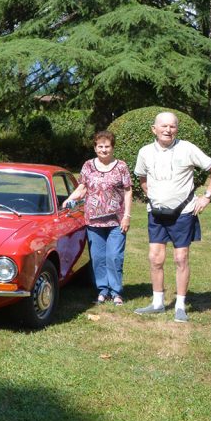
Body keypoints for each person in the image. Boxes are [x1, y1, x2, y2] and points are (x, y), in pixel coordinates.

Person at [132, 111, 211, 323]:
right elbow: (142, 178)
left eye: (172, 126)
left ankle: (180, 306)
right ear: (153, 129)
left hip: (183, 213)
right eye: (163, 126)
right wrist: (154, 198)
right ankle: (157, 303)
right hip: (156, 214)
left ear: (177, 129)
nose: (168, 130)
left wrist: (207, 197)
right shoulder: (145, 152)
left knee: (180, 258)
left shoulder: (187, 148)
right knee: (155, 258)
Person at [63, 130, 133, 306]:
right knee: (98, 257)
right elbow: (82, 188)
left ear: (112, 148)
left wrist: (127, 216)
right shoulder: (88, 166)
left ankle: (116, 292)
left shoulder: (121, 166)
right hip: (93, 220)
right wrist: (69, 200)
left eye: (107, 146)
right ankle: (103, 290)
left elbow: (128, 191)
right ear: (95, 148)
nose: (104, 149)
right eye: (100, 146)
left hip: (116, 221)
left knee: (115, 256)